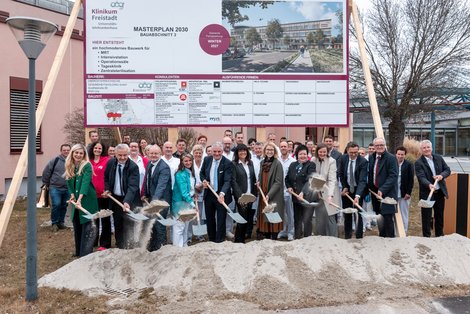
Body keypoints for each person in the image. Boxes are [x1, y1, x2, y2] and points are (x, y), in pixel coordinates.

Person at [104, 144, 141, 249]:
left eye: (125, 155)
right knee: (118, 222)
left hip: (129, 198)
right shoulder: (111, 163)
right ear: (115, 154)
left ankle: (129, 245)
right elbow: (106, 178)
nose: (123, 158)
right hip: (116, 198)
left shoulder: (133, 167)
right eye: (120, 155)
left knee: (129, 223)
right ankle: (120, 245)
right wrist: (107, 189)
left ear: (128, 154)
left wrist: (127, 201)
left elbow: (133, 186)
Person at [65, 144, 98, 257]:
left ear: (84, 155)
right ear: (72, 153)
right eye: (76, 153)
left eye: (81, 153)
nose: (78, 155)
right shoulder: (70, 165)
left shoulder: (87, 165)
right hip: (77, 199)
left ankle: (86, 253)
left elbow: (85, 183)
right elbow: (69, 182)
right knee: (77, 223)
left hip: (87, 199)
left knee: (87, 225)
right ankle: (78, 251)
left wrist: (79, 199)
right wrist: (72, 195)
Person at [415, 140, 450, 237]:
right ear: (421, 150)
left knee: (439, 216)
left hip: (439, 192)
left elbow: (447, 170)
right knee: (426, 217)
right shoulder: (419, 163)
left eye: (428, 147)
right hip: (427, 193)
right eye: (424, 148)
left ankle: (439, 236)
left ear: (431, 148)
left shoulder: (438, 158)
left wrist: (441, 176)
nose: (426, 149)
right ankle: (427, 237)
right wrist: (429, 184)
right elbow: (421, 177)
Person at [200, 142, 233, 243]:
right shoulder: (207, 159)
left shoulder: (227, 163)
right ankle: (212, 239)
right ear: (211, 152)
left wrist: (222, 194)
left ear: (222, 151)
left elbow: (228, 181)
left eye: (219, 151)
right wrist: (204, 181)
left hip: (221, 194)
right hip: (209, 193)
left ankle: (220, 240)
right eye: (215, 151)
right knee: (210, 218)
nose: (217, 154)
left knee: (221, 219)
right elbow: (202, 173)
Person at [143, 145, 172, 251]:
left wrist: (154, 200)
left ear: (160, 154)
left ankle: (161, 247)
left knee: (159, 223)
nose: (153, 155)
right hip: (153, 199)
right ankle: (153, 247)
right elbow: (147, 181)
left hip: (162, 201)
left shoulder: (164, 167)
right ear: (148, 154)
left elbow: (161, 185)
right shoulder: (149, 165)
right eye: (151, 153)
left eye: (156, 153)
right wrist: (146, 194)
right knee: (152, 223)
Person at [368, 138, 398, 238]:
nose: (379, 147)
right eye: (377, 145)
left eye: (381, 145)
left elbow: (393, 176)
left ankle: (390, 240)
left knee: (388, 218)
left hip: (387, 194)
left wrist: (382, 189)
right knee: (379, 217)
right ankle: (382, 238)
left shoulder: (391, 158)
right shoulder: (372, 157)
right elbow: (371, 174)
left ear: (385, 145)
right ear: (374, 146)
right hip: (375, 193)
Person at [338, 142, 368, 239]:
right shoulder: (343, 158)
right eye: (351, 152)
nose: (354, 154)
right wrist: (344, 186)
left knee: (358, 214)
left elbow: (362, 180)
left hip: (358, 189)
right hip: (347, 189)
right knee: (347, 213)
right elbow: (341, 174)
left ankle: (359, 236)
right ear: (347, 151)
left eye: (356, 152)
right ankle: (348, 235)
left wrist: (358, 195)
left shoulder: (363, 161)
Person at [285, 144, 315, 239]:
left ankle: (307, 239)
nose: (303, 156)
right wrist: (289, 187)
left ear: (307, 154)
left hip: (307, 197)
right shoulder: (293, 165)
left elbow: (310, 180)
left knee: (307, 220)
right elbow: (287, 178)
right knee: (297, 219)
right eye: (300, 154)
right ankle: (297, 238)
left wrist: (302, 192)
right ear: (297, 155)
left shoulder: (311, 165)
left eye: (304, 154)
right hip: (296, 197)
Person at [257, 142, 285, 240]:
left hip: (274, 195)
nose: (269, 152)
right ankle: (267, 237)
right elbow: (260, 175)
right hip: (263, 193)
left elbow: (278, 182)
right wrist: (258, 183)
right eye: (268, 150)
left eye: (272, 150)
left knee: (274, 216)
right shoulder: (262, 162)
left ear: (275, 151)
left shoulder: (277, 163)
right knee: (265, 216)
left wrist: (269, 195)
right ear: (264, 151)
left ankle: (274, 238)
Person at [312, 143, 340, 237]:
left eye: (324, 152)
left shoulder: (332, 161)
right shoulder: (313, 160)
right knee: (319, 217)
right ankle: (320, 238)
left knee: (330, 217)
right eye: (320, 152)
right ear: (317, 152)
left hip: (329, 191)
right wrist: (317, 190)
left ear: (327, 152)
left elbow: (332, 180)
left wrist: (330, 195)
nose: (322, 154)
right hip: (317, 191)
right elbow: (313, 177)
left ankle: (333, 238)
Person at [42, 144, 71, 232]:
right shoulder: (55, 160)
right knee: (56, 204)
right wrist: (46, 183)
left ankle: (61, 222)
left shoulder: (72, 161)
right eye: (64, 150)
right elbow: (46, 172)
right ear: (61, 151)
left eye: (68, 150)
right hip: (55, 187)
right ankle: (54, 223)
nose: (66, 152)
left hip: (67, 188)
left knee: (64, 205)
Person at [231, 144, 257, 243]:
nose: (243, 152)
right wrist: (240, 196)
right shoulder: (234, 164)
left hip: (250, 194)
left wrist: (255, 191)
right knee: (242, 217)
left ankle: (239, 238)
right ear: (237, 153)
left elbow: (252, 178)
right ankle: (239, 240)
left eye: (245, 150)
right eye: (240, 151)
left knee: (247, 218)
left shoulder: (250, 163)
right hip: (241, 195)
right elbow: (233, 181)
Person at [88, 142, 111, 250]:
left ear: (103, 149)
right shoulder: (88, 161)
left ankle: (105, 243)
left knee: (105, 219)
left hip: (104, 195)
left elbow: (109, 176)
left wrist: (107, 190)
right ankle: (93, 241)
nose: (97, 149)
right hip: (92, 196)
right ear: (92, 149)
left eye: (100, 148)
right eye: (96, 148)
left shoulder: (107, 160)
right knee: (94, 219)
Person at [171, 153, 196, 247]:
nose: (188, 162)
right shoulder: (180, 174)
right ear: (182, 162)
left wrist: (194, 194)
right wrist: (193, 205)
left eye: (190, 160)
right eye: (186, 161)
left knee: (185, 226)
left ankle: (184, 246)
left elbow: (191, 188)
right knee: (179, 227)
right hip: (180, 203)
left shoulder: (190, 172)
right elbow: (184, 192)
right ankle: (177, 248)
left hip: (188, 201)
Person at [278, 140, 296, 240]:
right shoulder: (277, 160)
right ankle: (282, 231)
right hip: (279, 192)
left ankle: (291, 232)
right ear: (280, 148)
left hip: (289, 191)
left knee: (290, 213)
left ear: (289, 148)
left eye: (285, 146)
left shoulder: (293, 161)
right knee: (282, 213)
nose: (283, 148)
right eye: (282, 146)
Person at [396, 146, 414, 233]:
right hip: (394, 193)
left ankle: (404, 231)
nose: (400, 156)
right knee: (394, 213)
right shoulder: (392, 163)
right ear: (396, 154)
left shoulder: (409, 164)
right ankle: (396, 231)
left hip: (404, 193)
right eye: (398, 154)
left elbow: (411, 180)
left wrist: (408, 192)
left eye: (402, 154)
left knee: (404, 213)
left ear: (405, 155)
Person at [191, 144, 206, 241]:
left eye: (200, 153)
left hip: (203, 191)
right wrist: (194, 189)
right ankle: (190, 235)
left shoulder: (205, 163)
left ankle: (200, 235)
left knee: (201, 214)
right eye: (196, 152)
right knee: (193, 214)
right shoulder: (190, 163)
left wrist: (201, 186)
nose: (198, 154)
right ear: (193, 153)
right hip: (192, 192)